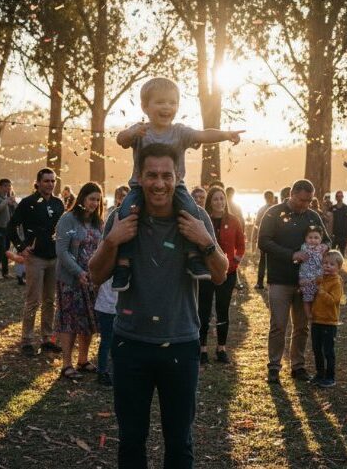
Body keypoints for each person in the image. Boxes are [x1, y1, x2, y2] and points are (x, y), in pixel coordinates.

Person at [88, 143, 229, 468]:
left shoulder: (196, 216)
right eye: (151, 175)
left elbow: (220, 275)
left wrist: (203, 240)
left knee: (179, 442)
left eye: (167, 175)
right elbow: (95, 276)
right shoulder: (122, 217)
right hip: (130, 345)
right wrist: (112, 240)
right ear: (139, 176)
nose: (159, 183)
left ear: (177, 177)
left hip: (180, 345)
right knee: (131, 441)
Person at [112, 77, 242, 292]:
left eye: (172, 103)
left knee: (192, 213)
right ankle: (124, 264)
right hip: (139, 187)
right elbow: (121, 139)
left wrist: (226, 135)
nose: (167, 107)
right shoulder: (141, 130)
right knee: (126, 214)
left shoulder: (180, 132)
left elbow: (204, 134)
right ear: (145, 106)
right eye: (160, 102)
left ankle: (192, 256)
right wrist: (132, 133)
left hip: (176, 187)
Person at [259, 179, 330, 385]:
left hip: (306, 281)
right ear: (291, 194)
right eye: (302, 200)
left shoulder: (312, 215)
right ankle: (274, 366)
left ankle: (297, 365)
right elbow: (263, 241)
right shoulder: (273, 213)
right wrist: (292, 254)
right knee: (279, 325)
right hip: (280, 278)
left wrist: (324, 247)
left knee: (301, 326)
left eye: (309, 201)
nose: (305, 205)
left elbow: (326, 239)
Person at [9, 168, 65, 357]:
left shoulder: (59, 203)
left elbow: (64, 229)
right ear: (38, 182)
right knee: (33, 300)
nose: (50, 184)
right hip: (35, 258)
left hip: (54, 258)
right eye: (46, 181)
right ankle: (27, 340)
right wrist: (21, 246)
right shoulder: (27, 203)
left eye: (53, 181)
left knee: (50, 300)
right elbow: (11, 226)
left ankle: (47, 338)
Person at [54, 182, 105, 380]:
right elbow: (62, 251)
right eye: (91, 199)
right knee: (70, 320)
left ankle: (82, 360)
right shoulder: (68, 220)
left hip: (93, 280)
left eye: (97, 200)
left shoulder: (97, 222)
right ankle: (66, 364)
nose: (94, 203)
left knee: (88, 319)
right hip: (71, 280)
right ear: (82, 198)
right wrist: (78, 272)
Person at [199, 186, 245, 364]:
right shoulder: (204, 220)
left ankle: (221, 348)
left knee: (222, 310)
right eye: (215, 199)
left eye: (222, 198)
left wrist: (233, 262)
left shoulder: (233, 220)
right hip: (206, 272)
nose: (219, 202)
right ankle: (202, 348)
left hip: (228, 272)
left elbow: (241, 244)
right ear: (210, 202)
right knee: (203, 310)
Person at [311, 250, 344, 388]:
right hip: (316, 320)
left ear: (338, 267)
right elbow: (313, 286)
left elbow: (334, 301)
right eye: (325, 263)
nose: (327, 266)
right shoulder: (321, 279)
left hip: (329, 322)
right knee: (316, 349)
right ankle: (320, 374)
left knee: (328, 351)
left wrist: (321, 292)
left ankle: (330, 377)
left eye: (331, 264)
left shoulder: (336, 282)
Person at [298, 226, 329, 322]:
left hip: (318, 277)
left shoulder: (322, 247)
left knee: (318, 296)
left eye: (316, 238)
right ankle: (308, 315)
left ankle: (317, 312)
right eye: (310, 237)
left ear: (321, 238)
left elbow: (326, 254)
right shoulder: (304, 247)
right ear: (306, 238)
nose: (313, 240)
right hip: (306, 278)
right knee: (307, 297)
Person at [0, 179, 17, 280]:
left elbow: (15, 209)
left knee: (6, 250)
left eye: (9, 186)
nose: (8, 188)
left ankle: (5, 272)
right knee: (0, 250)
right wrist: (6, 201)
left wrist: (13, 203)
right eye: (5, 186)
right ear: (0, 187)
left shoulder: (9, 196)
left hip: (7, 228)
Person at [94, 275, 117, 387]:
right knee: (107, 341)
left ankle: (114, 370)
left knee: (116, 342)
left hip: (120, 307)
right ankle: (102, 371)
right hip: (107, 306)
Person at [252, 190, 278, 290]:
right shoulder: (277, 208)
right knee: (270, 261)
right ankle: (268, 282)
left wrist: (256, 238)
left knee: (263, 261)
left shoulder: (262, 209)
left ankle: (260, 282)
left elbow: (257, 224)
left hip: (266, 238)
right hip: (272, 239)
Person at [329, 190, 347, 255]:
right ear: (335, 197)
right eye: (337, 196)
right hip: (334, 234)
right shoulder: (332, 208)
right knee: (332, 252)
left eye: (340, 196)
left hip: (344, 234)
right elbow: (330, 222)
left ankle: (341, 265)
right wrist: (329, 233)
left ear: (343, 197)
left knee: (342, 253)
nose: (339, 197)